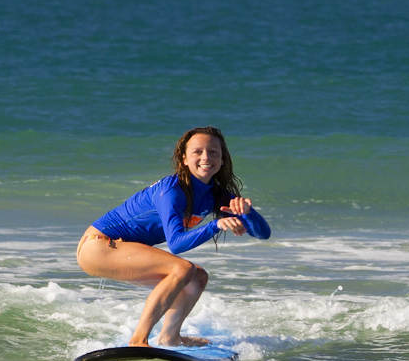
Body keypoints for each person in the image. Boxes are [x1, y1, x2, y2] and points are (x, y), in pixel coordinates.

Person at [76, 126, 271, 347]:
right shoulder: (171, 191)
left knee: (197, 277)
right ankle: (138, 341)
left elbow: (263, 233)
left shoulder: (216, 194)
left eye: (213, 152)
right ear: (184, 158)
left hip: (120, 248)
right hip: (98, 247)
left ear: (223, 159)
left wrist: (248, 213)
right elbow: (176, 244)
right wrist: (215, 225)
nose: (206, 157)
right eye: (197, 152)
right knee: (183, 269)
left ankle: (170, 337)